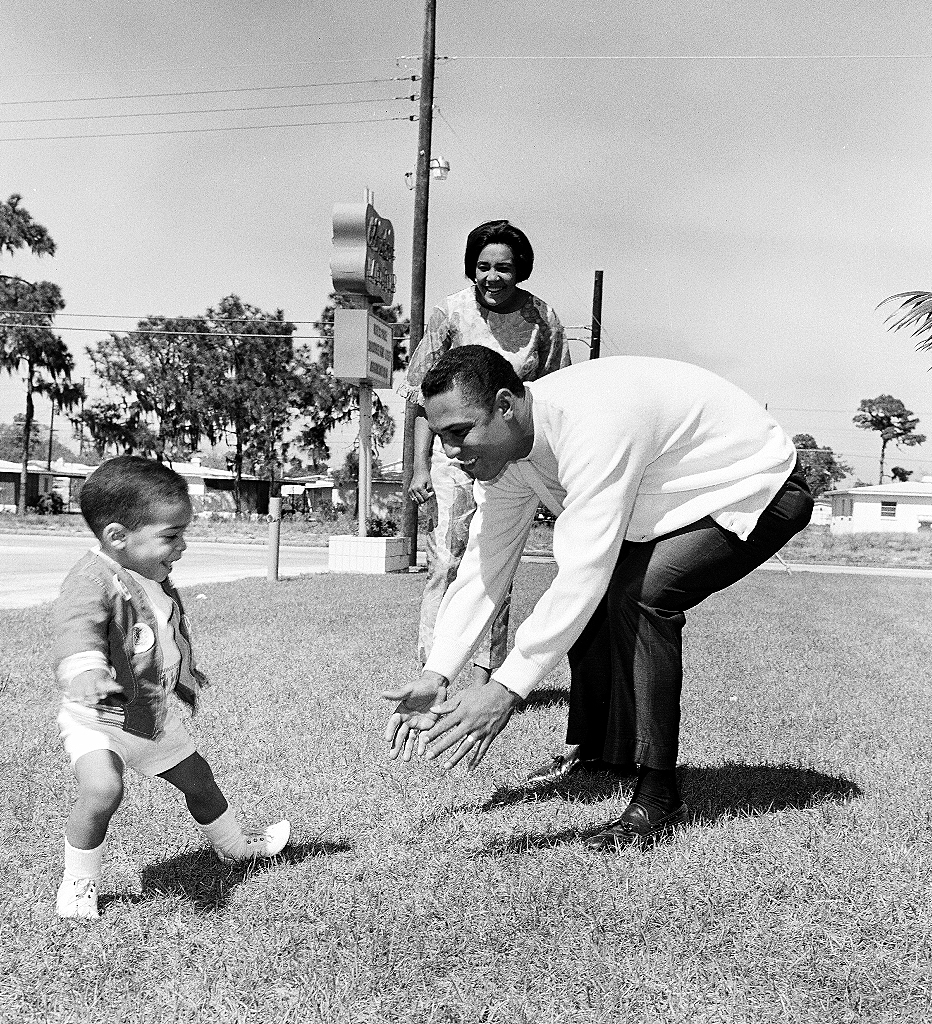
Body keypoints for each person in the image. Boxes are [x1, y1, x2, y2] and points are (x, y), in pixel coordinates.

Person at [383, 346, 812, 850]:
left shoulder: (592, 424)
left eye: (460, 431)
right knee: (593, 601)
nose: (451, 451)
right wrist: (439, 672)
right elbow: (484, 569)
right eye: (441, 437)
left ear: (505, 405)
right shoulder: (504, 458)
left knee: (639, 596)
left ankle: (658, 792)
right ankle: (602, 754)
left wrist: (506, 689)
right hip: (670, 501)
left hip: (756, 486)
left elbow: (583, 571)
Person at [53, 456, 290, 919]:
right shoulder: (91, 580)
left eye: (183, 533)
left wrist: (185, 670)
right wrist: (85, 670)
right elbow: (75, 627)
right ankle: (78, 884)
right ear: (117, 536)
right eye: (171, 536)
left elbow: (164, 630)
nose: (182, 546)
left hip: (155, 718)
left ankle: (234, 847)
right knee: (103, 790)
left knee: (200, 782)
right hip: (100, 718)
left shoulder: (153, 574)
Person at [402, 219, 570, 687]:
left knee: (499, 561)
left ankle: (486, 671)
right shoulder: (449, 314)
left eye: (504, 268)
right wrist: (418, 468)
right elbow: (419, 397)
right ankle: (432, 671)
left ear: (521, 270)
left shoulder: (544, 320)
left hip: (512, 454)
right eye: (482, 267)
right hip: (454, 457)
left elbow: (557, 395)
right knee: (446, 560)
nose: (492, 278)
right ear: (471, 269)